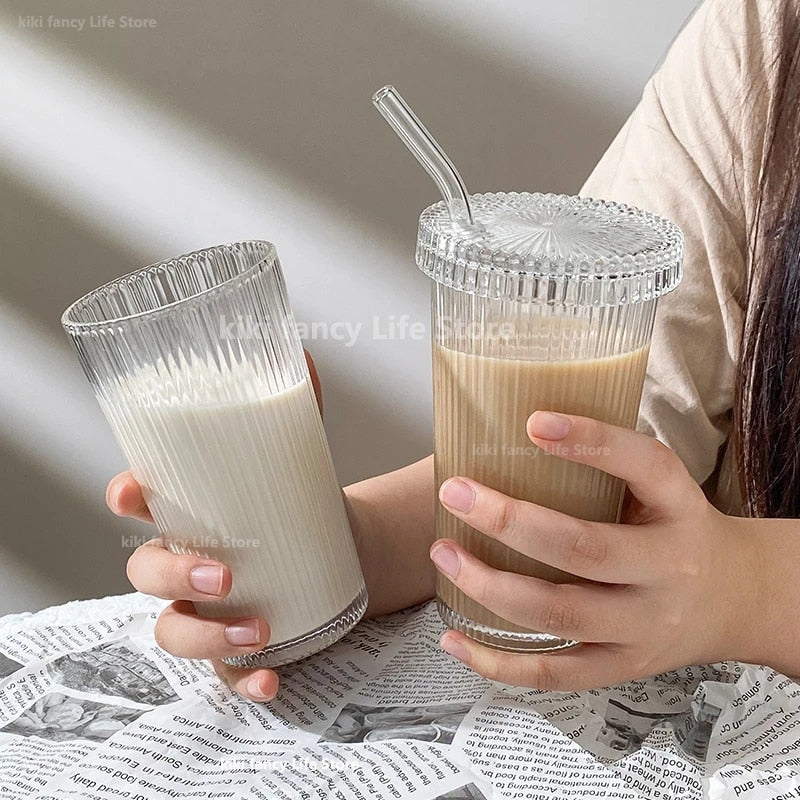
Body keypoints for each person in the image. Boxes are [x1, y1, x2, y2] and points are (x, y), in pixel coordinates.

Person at [107, 0, 800, 702]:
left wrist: (746, 590)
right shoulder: (765, 33)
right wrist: (335, 554)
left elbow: (703, 567)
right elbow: (604, 459)